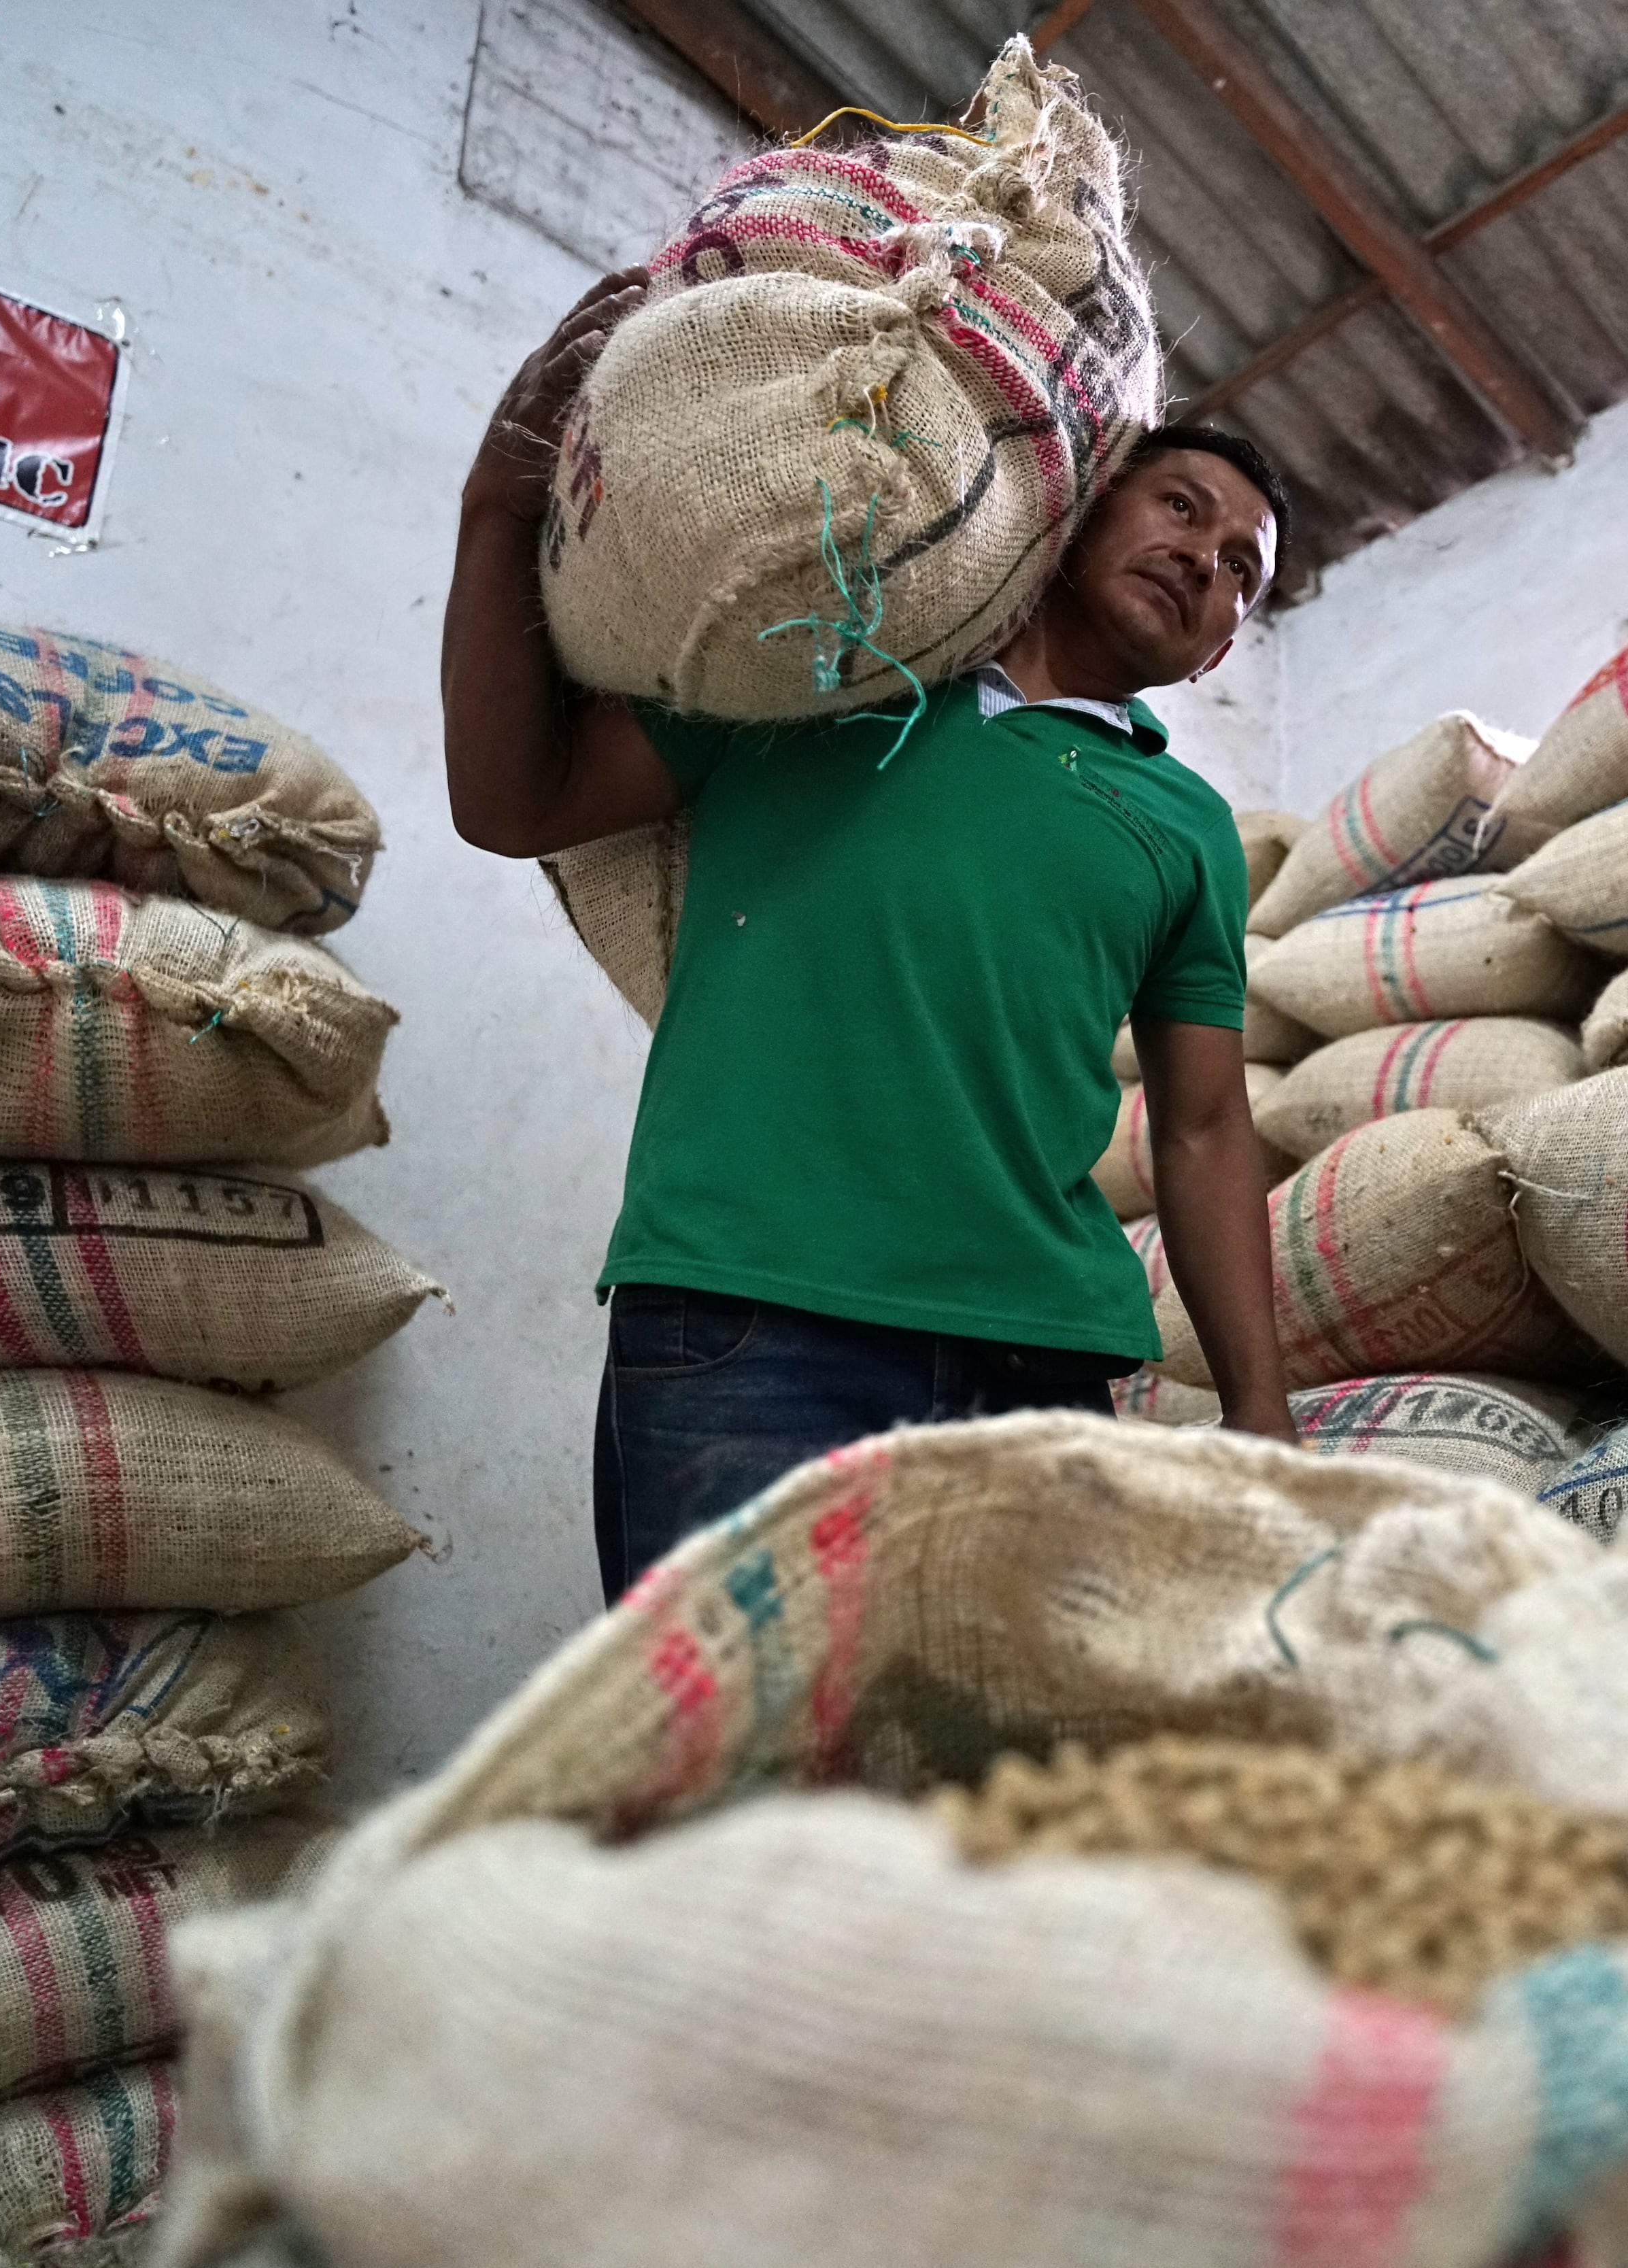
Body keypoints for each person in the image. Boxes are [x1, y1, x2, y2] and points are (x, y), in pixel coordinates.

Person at [444, 266, 1301, 1599]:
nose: (1206, 558)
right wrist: (496, 514)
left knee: (1001, 1800)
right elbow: (512, 803)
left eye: (1240, 573)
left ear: (1210, 656)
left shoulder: (1184, 822)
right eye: (1181, 508)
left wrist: (1259, 1401)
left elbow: (1202, 1126)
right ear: (1071, 510)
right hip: (752, 1322)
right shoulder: (820, 668)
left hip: (1046, 1360)